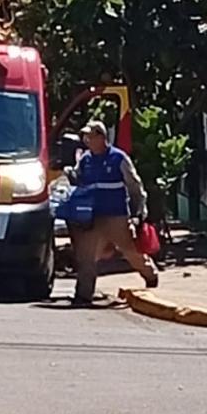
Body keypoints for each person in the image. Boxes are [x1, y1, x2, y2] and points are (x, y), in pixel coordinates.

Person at [66, 120, 158, 306]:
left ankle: (150, 274)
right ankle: (83, 295)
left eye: (90, 136)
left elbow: (134, 185)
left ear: (101, 137)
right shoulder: (85, 159)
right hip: (92, 217)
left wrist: (138, 213)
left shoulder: (118, 158)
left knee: (131, 251)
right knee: (86, 256)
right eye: (85, 136)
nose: (86, 140)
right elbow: (78, 180)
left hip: (117, 215)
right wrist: (71, 175)